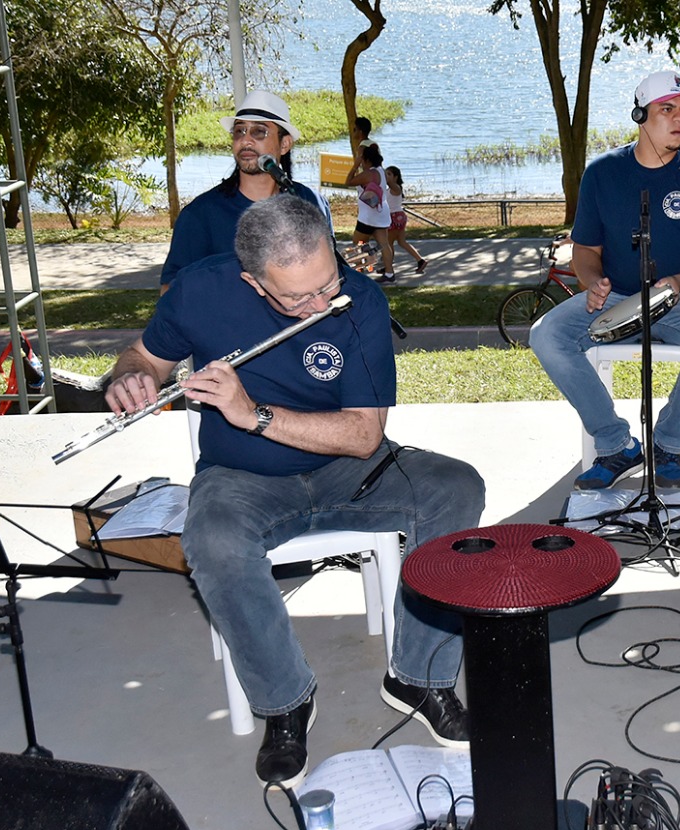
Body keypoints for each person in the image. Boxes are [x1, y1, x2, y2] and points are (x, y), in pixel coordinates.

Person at [105, 195, 485, 786]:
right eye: (298, 298)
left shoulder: (358, 299)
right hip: (241, 478)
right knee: (212, 539)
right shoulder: (200, 290)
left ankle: (419, 677)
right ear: (255, 284)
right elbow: (145, 357)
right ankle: (286, 702)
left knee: (457, 488)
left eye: (326, 282)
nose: (320, 303)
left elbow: (363, 436)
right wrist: (130, 375)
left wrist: (252, 413)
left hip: (346, 468)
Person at [530, 70, 680, 490]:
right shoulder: (603, 173)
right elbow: (586, 249)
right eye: (668, 109)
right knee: (546, 334)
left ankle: (667, 442)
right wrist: (593, 283)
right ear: (641, 114)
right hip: (618, 296)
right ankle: (616, 445)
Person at [161, 91, 331, 292]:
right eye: (239, 131)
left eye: (259, 132)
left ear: (284, 144)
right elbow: (169, 290)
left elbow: (327, 273)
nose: (246, 140)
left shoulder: (310, 202)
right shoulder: (201, 215)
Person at [346, 144, 396, 283]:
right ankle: (389, 273)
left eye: (362, 159)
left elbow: (348, 181)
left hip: (368, 217)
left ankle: (360, 271)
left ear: (367, 160)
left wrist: (355, 166)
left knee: (358, 243)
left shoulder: (369, 174)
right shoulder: (381, 171)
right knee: (384, 244)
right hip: (381, 213)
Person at [385, 165, 427, 274]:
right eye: (385, 174)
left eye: (389, 174)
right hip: (396, 217)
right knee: (402, 242)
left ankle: (388, 267)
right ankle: (420, 260)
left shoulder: (396, 188)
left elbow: (390, 183)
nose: (386, 177)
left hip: (395, 217)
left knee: (388, 244)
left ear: (396, 177)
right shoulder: (389, 190)